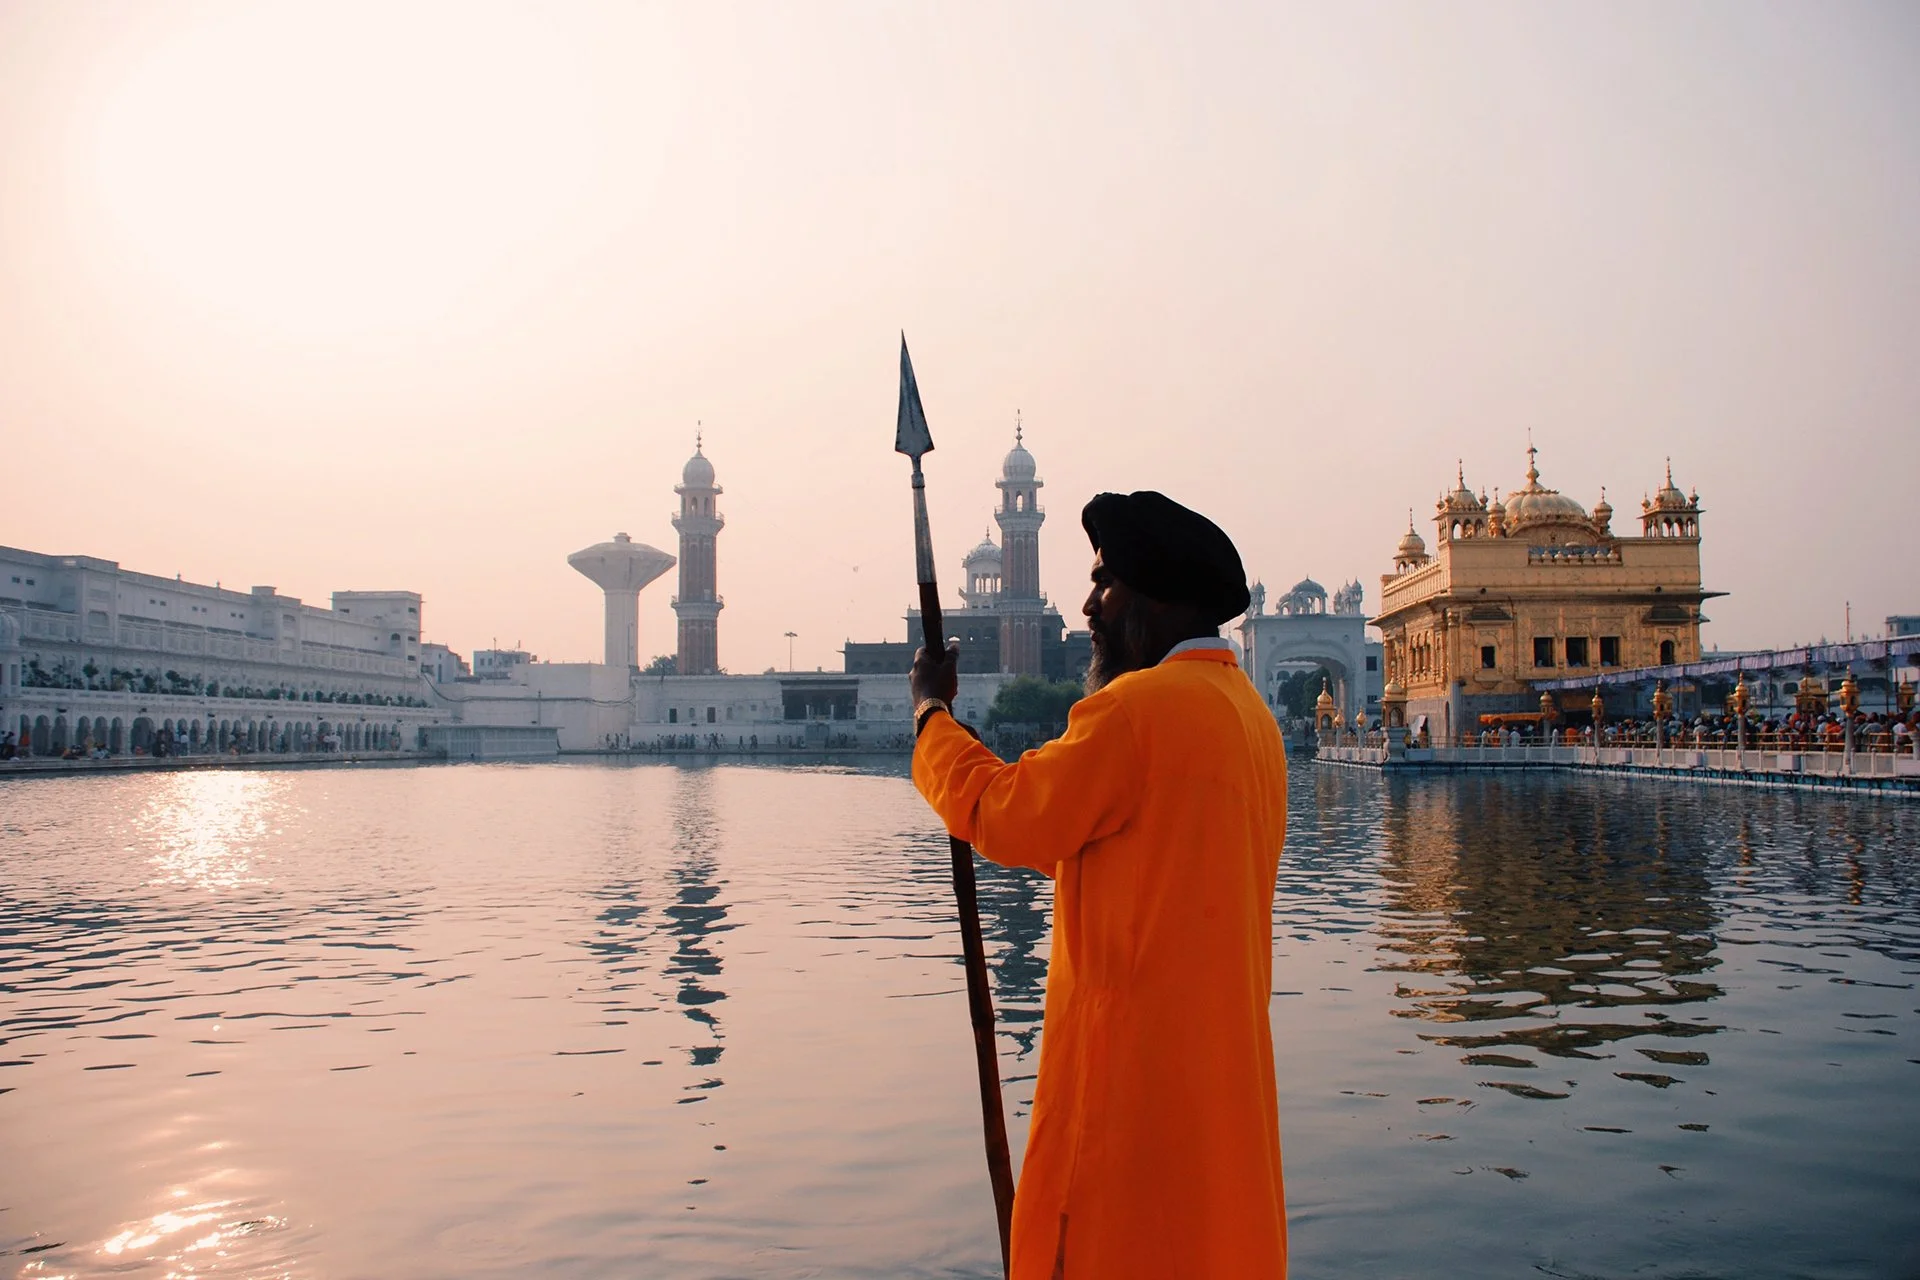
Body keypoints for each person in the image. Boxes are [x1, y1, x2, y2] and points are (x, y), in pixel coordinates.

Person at [909, 490, 1289, 1279]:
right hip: (1220, 1109)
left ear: (1153, 600)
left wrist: (933, 718)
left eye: (1105, 584)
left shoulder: (1135, 711)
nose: (1089, 606)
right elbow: (1111, 843)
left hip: (1130, 1109)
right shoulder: (1251, 720)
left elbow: (1003, 814)